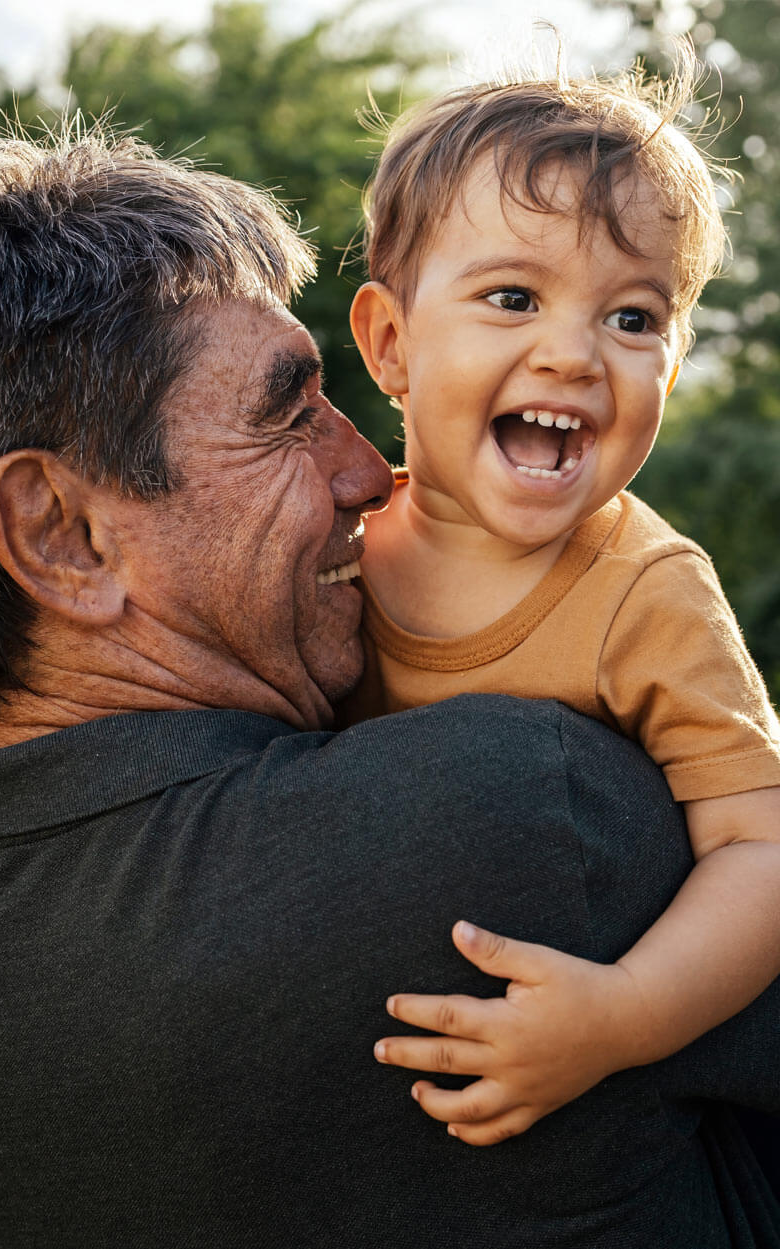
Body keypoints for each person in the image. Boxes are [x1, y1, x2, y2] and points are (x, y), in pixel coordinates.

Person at [0, 126, 780, 1248]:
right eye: (284, 414)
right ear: (61, 534)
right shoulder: (521, 805)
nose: (369, 473)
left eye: (633, 317)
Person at [339, 65, 780, 1142]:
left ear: (670, 366)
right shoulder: (327, 557)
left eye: (632, 316)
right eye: (512, 298)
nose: (573, 353)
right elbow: (181, 715)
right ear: (391, 343)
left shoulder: (645, 591)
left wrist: (625, 1015)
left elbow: (760, 851)